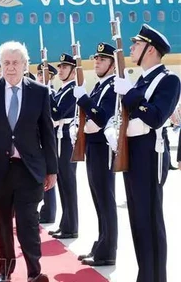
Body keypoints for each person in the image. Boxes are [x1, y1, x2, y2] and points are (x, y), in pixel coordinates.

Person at [0, 41, 57, 282]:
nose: (10, 68)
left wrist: (52, 169)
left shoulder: (40, 92)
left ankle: (34, 272)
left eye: (15, 63)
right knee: (2, 223)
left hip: (29, 170)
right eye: (6, 63)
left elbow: (47, 132)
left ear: (24, 65)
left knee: (28, 221)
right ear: (0, 65)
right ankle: (5, 271)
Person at [110, 24, 180, 282]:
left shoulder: (168, 80)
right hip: (132, 154)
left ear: (151, 49)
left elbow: (155, 117)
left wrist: (130, 93)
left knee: (150, 222)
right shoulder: (141, 81)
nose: (131, 48)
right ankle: (145, 275)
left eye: (136, 45)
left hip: (150, 156)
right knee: (138, 222)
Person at [72, 42, 117, 266]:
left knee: (105, 200)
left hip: (103, 149)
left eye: (103, 59)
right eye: (96, 59)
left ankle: (108, 250)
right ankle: (101, 243)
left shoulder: (111, 88)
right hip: (94, 147)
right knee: (98, 199)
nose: (97, 62)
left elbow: (101, 117)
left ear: (112, 64)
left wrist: (84, 99)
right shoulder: (100, 87)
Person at [48, 53, 78, 240]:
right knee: (62, 183)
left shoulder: (73, 90)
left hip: (67, 139)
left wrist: (46, 93)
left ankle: (71, 225)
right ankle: (65, 224)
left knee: (68, 183)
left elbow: (57, 113)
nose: (60, 70)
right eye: (60, 67)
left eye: (65, 67)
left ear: (74, 71)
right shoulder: (62, 90)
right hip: (60, 138)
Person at [36, 63, 58, 224]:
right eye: (38, 74)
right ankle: (45, 209)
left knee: (49, 177)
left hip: (50, 139)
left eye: (43, 74)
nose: (39, 76)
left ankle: (50, 212)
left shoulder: (52, 94)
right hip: (37, 140)